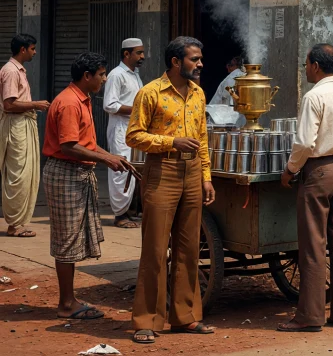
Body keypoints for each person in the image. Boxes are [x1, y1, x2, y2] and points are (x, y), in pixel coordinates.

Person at [127, 36, 215, 344]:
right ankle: (146, 320)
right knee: (155, 249)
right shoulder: (149, 93)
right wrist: (171, 142)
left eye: (200, 58)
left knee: (189, 248)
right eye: (194, 59)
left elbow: (202, 138)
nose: (200, 63)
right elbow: (134, 136)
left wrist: (206, 176)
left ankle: (186, 317)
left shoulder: (199, 94)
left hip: (192, 173)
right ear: (176, 62)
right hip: (161, 171)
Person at [277, 44, 333, 333]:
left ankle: (310, 316)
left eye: (305, 65)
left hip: (319, 170)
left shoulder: (314, 96)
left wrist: (290, 169)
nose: (305, 69)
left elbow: (303, 143)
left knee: (314, 244)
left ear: (315, 65)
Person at [44, 51, 138, 321]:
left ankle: (69, 298)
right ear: (87, 76)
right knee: (66, 239)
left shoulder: (80, 99)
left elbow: (84, 143)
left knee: (71, 237)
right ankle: (66, 304)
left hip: (75, 173)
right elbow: (69, 146)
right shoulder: (71, 103)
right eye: (101, 75)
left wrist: (110, 156)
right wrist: (106, 160)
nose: (104, 79)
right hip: (66, 173)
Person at [0, 34, 47, 238]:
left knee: (25, 173)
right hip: (16, 126)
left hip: (23, 124)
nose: (34, 52)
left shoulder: (18, 70)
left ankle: (18, 222)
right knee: (18, 174)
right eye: (32, 49)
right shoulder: (11, 71)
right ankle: (15, 224)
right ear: (23, 50)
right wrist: (36, 104)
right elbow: (9, 104)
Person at [104, 39, 145, 229]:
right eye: (138, 53)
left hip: (134, 129)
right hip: (121, 129)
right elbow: (109, 105)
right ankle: (120, 215)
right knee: (121, 170)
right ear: (127, 54)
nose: (142, 56)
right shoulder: (116, 75)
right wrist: (139, 110)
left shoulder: (135, 75)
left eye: (142, 52)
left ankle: (130, 211)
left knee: (133, 170)